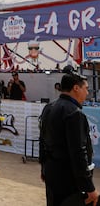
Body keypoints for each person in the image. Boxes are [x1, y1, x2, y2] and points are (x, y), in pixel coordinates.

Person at [39, 72, 99, 206]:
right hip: (69, 177)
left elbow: (42, 140)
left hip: (52, 171)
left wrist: (44, 167)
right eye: (86, 88)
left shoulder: (49, 108)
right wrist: (89, 187)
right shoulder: (74, 113)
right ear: (76, 88)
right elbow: (78, 152)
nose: (87, 93)